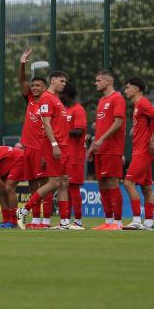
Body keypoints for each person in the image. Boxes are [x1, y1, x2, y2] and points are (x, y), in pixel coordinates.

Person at [17, 70, 72, 230]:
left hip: (63, 146)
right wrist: (54, 144)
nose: (64, 84)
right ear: (53, 81)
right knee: (54, 182)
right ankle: (24, 209)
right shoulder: (47, 98)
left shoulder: (56, 99)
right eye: (61, 81)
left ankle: (64, 222)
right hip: (53, 146)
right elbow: (46, 124)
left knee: (63, 183)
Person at [121, 77, 154, 231]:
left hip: (143, 151)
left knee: (128, 183)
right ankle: (149, 223)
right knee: (146, 187)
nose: (125, 90)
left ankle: (137, 220)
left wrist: (152, 140)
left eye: (128, 87)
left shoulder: (143, 103)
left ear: (136, 89)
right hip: (140, 149)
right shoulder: (137, 106)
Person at [87, 70, 126, 231]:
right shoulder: (102, 100)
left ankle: (118, 222)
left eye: (98, 80)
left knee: (112, 183)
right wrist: (92, 147)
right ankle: (108, 221)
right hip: (100, 150)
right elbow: (100, 128)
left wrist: (102, 139)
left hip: (112, 149)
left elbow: (118, 122)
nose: (96, 83)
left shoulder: (117, 98)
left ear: (108, 81)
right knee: (101, 184)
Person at [17, 49, 48, 228]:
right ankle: (36, 219)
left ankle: (46, 220)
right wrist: (22, 63)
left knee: (44, 183)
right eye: (33, 85)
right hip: (27, 148)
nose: (34, 88)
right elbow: (22, 80)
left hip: (41, 149)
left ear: (45, 88)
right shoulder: (29, 99)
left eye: (38, 86)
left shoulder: (48, 102)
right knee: (32, 184)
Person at [61, 82, 87, 228]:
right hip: (65, 155)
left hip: (75, 156)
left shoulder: (78, 110)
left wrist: (62, 131)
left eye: (62, 94)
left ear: (67, 95)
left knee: (73, 188)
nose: (60, 97)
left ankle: (77, 221)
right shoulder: (64, 110)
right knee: (66, 187)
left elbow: (79, 131)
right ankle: (65, 220)